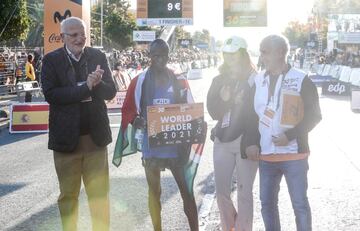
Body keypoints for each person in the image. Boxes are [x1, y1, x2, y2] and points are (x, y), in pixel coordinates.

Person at [41, 17, 116, 231]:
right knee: (68, 197)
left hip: (95, 140)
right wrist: (86, 88)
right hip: (66, 142)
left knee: (99, 196)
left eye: (82, 34)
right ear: (62, 37)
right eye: (73, 35)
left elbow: (111, 92)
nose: (79, 38)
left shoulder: (97, 56)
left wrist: (98, 83)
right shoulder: (51, 60)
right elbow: (52, 94)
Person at [119, 39, 199, 231]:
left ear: (168, 56)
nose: (160, 60)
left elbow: (192, 111)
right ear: (150, 57)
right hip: (152, 146)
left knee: (187, 192)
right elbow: (128, 110)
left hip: (176, 147)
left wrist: (194, 129)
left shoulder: (179, 80)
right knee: (154, 193)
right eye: (156, 56)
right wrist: (136, 121)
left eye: (164, 55)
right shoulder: (139, 81)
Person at [246, 34, 322, 231]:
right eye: (261, 52)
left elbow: (315, 115)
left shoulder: (301, 79)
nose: (261, 57)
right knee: (267, 205)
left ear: (280, 52)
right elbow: (250, 115)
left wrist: (289, 135)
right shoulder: (257, 79)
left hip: (294, 155)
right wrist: (252, 142)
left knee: (300, 206)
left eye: (265, 52)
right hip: (267, 155)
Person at [207, 36, 259, 231]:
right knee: (222, 193)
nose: (230, 57)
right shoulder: (218, 79)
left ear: (243, 54)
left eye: (234, 53)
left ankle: (244, 228)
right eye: (226, 54)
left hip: (247, 142)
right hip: (222, 140)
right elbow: (213, 112)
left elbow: (258, 114)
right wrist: (227, 100)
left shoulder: (255, 79)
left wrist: (254, 142)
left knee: (245, 193)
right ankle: (229, 227)